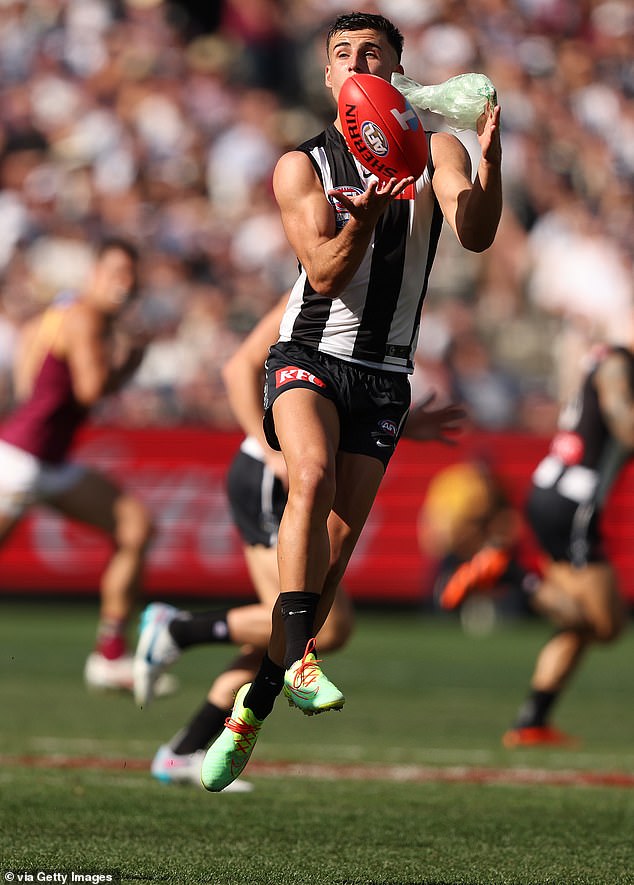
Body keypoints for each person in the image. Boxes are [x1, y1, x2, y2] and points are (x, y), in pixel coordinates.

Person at [199, 11, 502, 792]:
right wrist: (363, 222)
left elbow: (473, 230)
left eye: (372, 51)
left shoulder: (438, 149)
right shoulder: (301, 165)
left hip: (384, 376)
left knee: (331, 558)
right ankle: (296, 659)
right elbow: (326, 274)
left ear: (397, 71)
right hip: (310, 354)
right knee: (308, 476)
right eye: (342, 54)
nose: (356, 61)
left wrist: (490, 161)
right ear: (329, 78)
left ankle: (251, 707)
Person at [134, 294, 464, 788]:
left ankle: (187, 745)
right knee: (316, 628)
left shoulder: (387, 297)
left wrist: (403, 422)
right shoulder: (317, 289)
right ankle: (180, 629)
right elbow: (239, 367)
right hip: (270, 478)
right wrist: (267, 448)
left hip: (304, 457)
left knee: (298, 628)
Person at [439, 343, 631, 747]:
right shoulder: (616, 362)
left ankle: (531, 721)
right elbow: (622, 420)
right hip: (574, 501)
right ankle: (508, 571)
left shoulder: (606, 359)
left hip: (556, 492)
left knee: (578, 621)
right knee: (607, 625)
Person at [0, 237, 156, 692]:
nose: (123, 285)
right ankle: (108, 656)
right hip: (23, 462)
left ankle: (109, 656)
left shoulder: (65, 312)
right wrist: (129, 361)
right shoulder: (86, 316)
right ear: (95, 275)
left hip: (46, 461)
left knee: (136, 527)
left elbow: (29, 366)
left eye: (130, 276)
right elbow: (90, 390)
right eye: (115, 274)